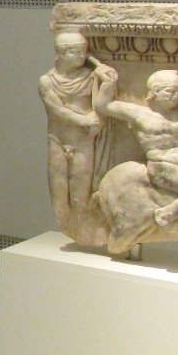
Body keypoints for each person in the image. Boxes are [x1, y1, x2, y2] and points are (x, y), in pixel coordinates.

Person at [96, 69, 178, 227]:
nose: (175, 96)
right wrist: (107, 83)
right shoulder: (139, 114)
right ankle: (165, 215)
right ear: (155, 91)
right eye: (170, 91)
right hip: (163, 167)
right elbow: (103, 105)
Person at [38, 32, 116, 233]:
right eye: (75, 52)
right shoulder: (47, 81)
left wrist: (98, 65)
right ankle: (67, 224)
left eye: (84, 52)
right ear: (60, 53)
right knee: (59, 186)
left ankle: (84, 228)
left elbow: (100, 105)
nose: (81, 56)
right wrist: (83, 119)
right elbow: (57, 109)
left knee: (81, 186)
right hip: (58, 138)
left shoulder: (90, 77)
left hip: (83, 139)